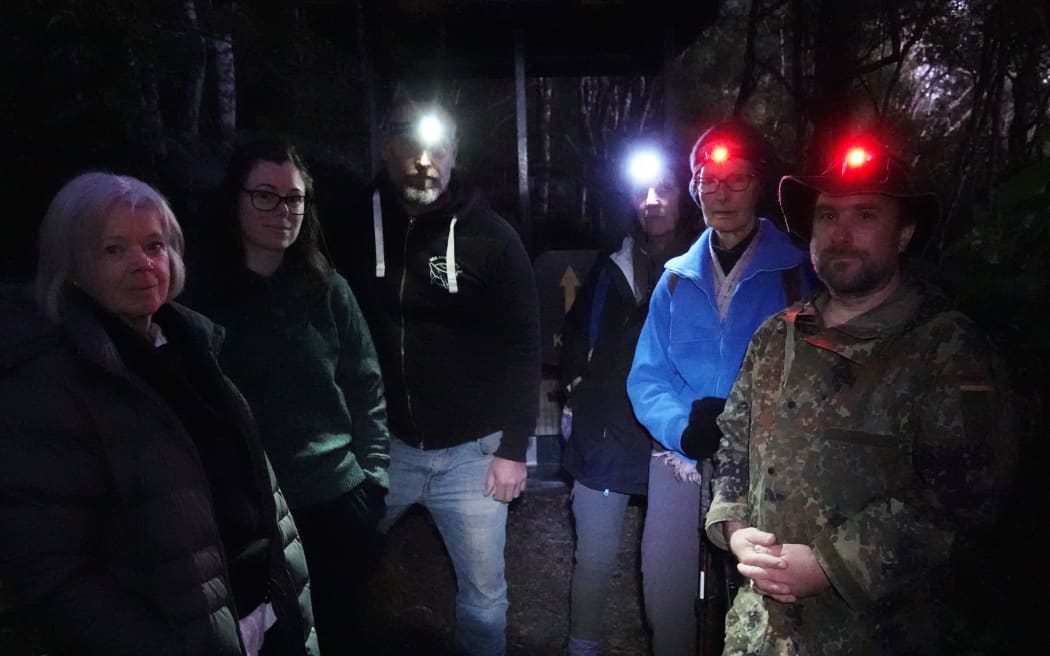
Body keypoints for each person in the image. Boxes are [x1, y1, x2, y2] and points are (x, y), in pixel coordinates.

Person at [703, 136, 1016, 654]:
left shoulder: (943, 347)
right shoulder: (777, 336)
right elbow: (733, 444)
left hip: (876, 633)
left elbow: (965, 496)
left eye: (865, 216)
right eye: (827, 217)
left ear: (904, 233)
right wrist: (735, 529)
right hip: (759, 632)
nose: (842, 235)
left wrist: (832, 564)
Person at [0, 172, 318, 655]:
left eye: (154, 245)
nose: (143, 264)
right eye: (114, 250)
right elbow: (50, 571)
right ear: (71, 264)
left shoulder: (190, 347)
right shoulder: (49, 385)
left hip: (262, 619)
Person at [331, 99, 541, 656]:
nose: (424, 161)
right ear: (385, 147)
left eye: (438, 148)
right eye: (411, 145)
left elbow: (524, 346)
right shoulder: (348, 227)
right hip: (383, 449)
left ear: (454, 156)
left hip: (474, 453)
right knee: (339, 569)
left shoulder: (493, 237)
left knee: (483, 597)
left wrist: (514, 448)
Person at [182, 137, 391, 656]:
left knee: (343, 630)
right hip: (246, 514)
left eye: (294, 198)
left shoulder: (327, 289)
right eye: (265, 195)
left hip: (335, 500)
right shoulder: (201, 299)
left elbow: (365, 385)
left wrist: (374, 480)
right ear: (236, 199)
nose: (283, 210)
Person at [625, 120, 818, 655]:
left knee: (762, 587)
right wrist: (682, 428)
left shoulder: (799, 270)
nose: (721, 192)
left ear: (759, 186)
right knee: (665, 584)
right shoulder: (674, 277)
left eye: (737, 179)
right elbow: (647, 375)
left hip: (769, 457)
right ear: (696, 190)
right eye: (710, 180)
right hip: (682, 456)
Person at [559, 145, 699, 656]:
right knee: (594, 556)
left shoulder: (706, 267)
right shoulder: (610, 266)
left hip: (675, 443)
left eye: (664, 189)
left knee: (669, 572)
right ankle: (582, 646)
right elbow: (575, 335)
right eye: (643, 191)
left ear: (684, 198)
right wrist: (575, 387)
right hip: (607, 435)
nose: (653, 200)